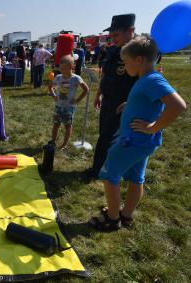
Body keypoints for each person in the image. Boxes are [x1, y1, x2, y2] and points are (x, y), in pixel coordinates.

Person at [88, 37, 186, 231]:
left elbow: (178, 106)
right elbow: (149, 101)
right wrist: (130, 105)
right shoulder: (146, 78)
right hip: (142, 142)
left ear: (139, 60)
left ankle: (112, 219)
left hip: (132, 141)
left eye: (126, 62)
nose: (124, 66)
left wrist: (153, 127)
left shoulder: (152, 79)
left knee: (109, 175)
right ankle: (126, 215)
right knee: (135, 177)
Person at [84, 14, 139, 181]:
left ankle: (97, 170)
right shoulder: (114, 49)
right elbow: (107, 74)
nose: (113, 39)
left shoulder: (138, 52)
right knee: (104, 134)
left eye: (116, 35)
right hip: (108, 98)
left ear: (131, 31)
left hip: (123, 103)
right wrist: (99, 94)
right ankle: (103, 166)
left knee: (108, 136)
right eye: (111, 36)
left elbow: (141, 80)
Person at [48, 55, 89, 150]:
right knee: (56, 124)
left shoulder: (76, 78)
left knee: (67, 126)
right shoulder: (58, 77)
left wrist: (77, 100)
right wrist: (54, 96)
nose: (61, 71)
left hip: (69, 107)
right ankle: (53, 141)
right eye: (60, 68)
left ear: (71, 67)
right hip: (58, 106)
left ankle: (64, 145)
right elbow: (50, 86)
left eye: (63, 69)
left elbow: (86, 89)